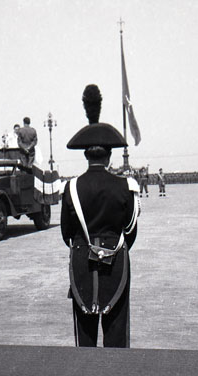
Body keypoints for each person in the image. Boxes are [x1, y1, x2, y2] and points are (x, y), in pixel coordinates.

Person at [61, 84, 140, 348]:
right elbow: (131, 232)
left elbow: (66, 233)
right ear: (110, 155)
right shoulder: (125, 186)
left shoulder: (71, 188)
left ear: (85, 154)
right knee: (116, 339)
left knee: (85, 342)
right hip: (116, 265)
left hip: (82, 265)